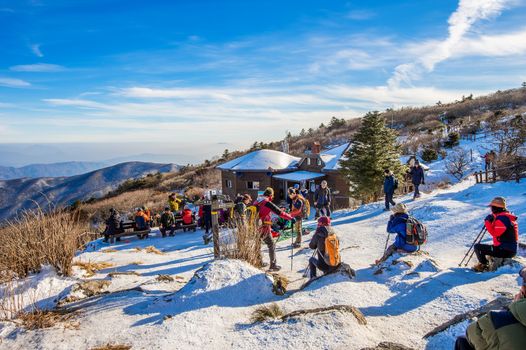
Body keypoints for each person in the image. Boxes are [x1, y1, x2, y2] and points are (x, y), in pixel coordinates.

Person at [454, 267, 526, 349]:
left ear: (523, 290)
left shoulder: (497, 319)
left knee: (462, 341)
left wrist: (514, 306)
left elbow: (470, 332)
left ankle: (482, 265)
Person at [473, 196, 518, 272]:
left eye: (492, 207)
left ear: (495, 208)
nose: (491, 209)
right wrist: (494, 217)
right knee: (487, 248)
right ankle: (485, 264)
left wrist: (487, 222)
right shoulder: (506, 216)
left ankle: (484, 266)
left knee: (477, 247)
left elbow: (495, 233)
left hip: (505, 250)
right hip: (508, 249)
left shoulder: (502, 219)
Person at [254, 187, 293, 271]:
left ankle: (258, 261)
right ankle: (273, 265)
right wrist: (290, 218)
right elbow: (280, 212)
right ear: (270, 195)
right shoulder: (267, 202)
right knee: (271, 244)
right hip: (264, 228)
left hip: (255, 227)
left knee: (257, 244)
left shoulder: (257, 201)